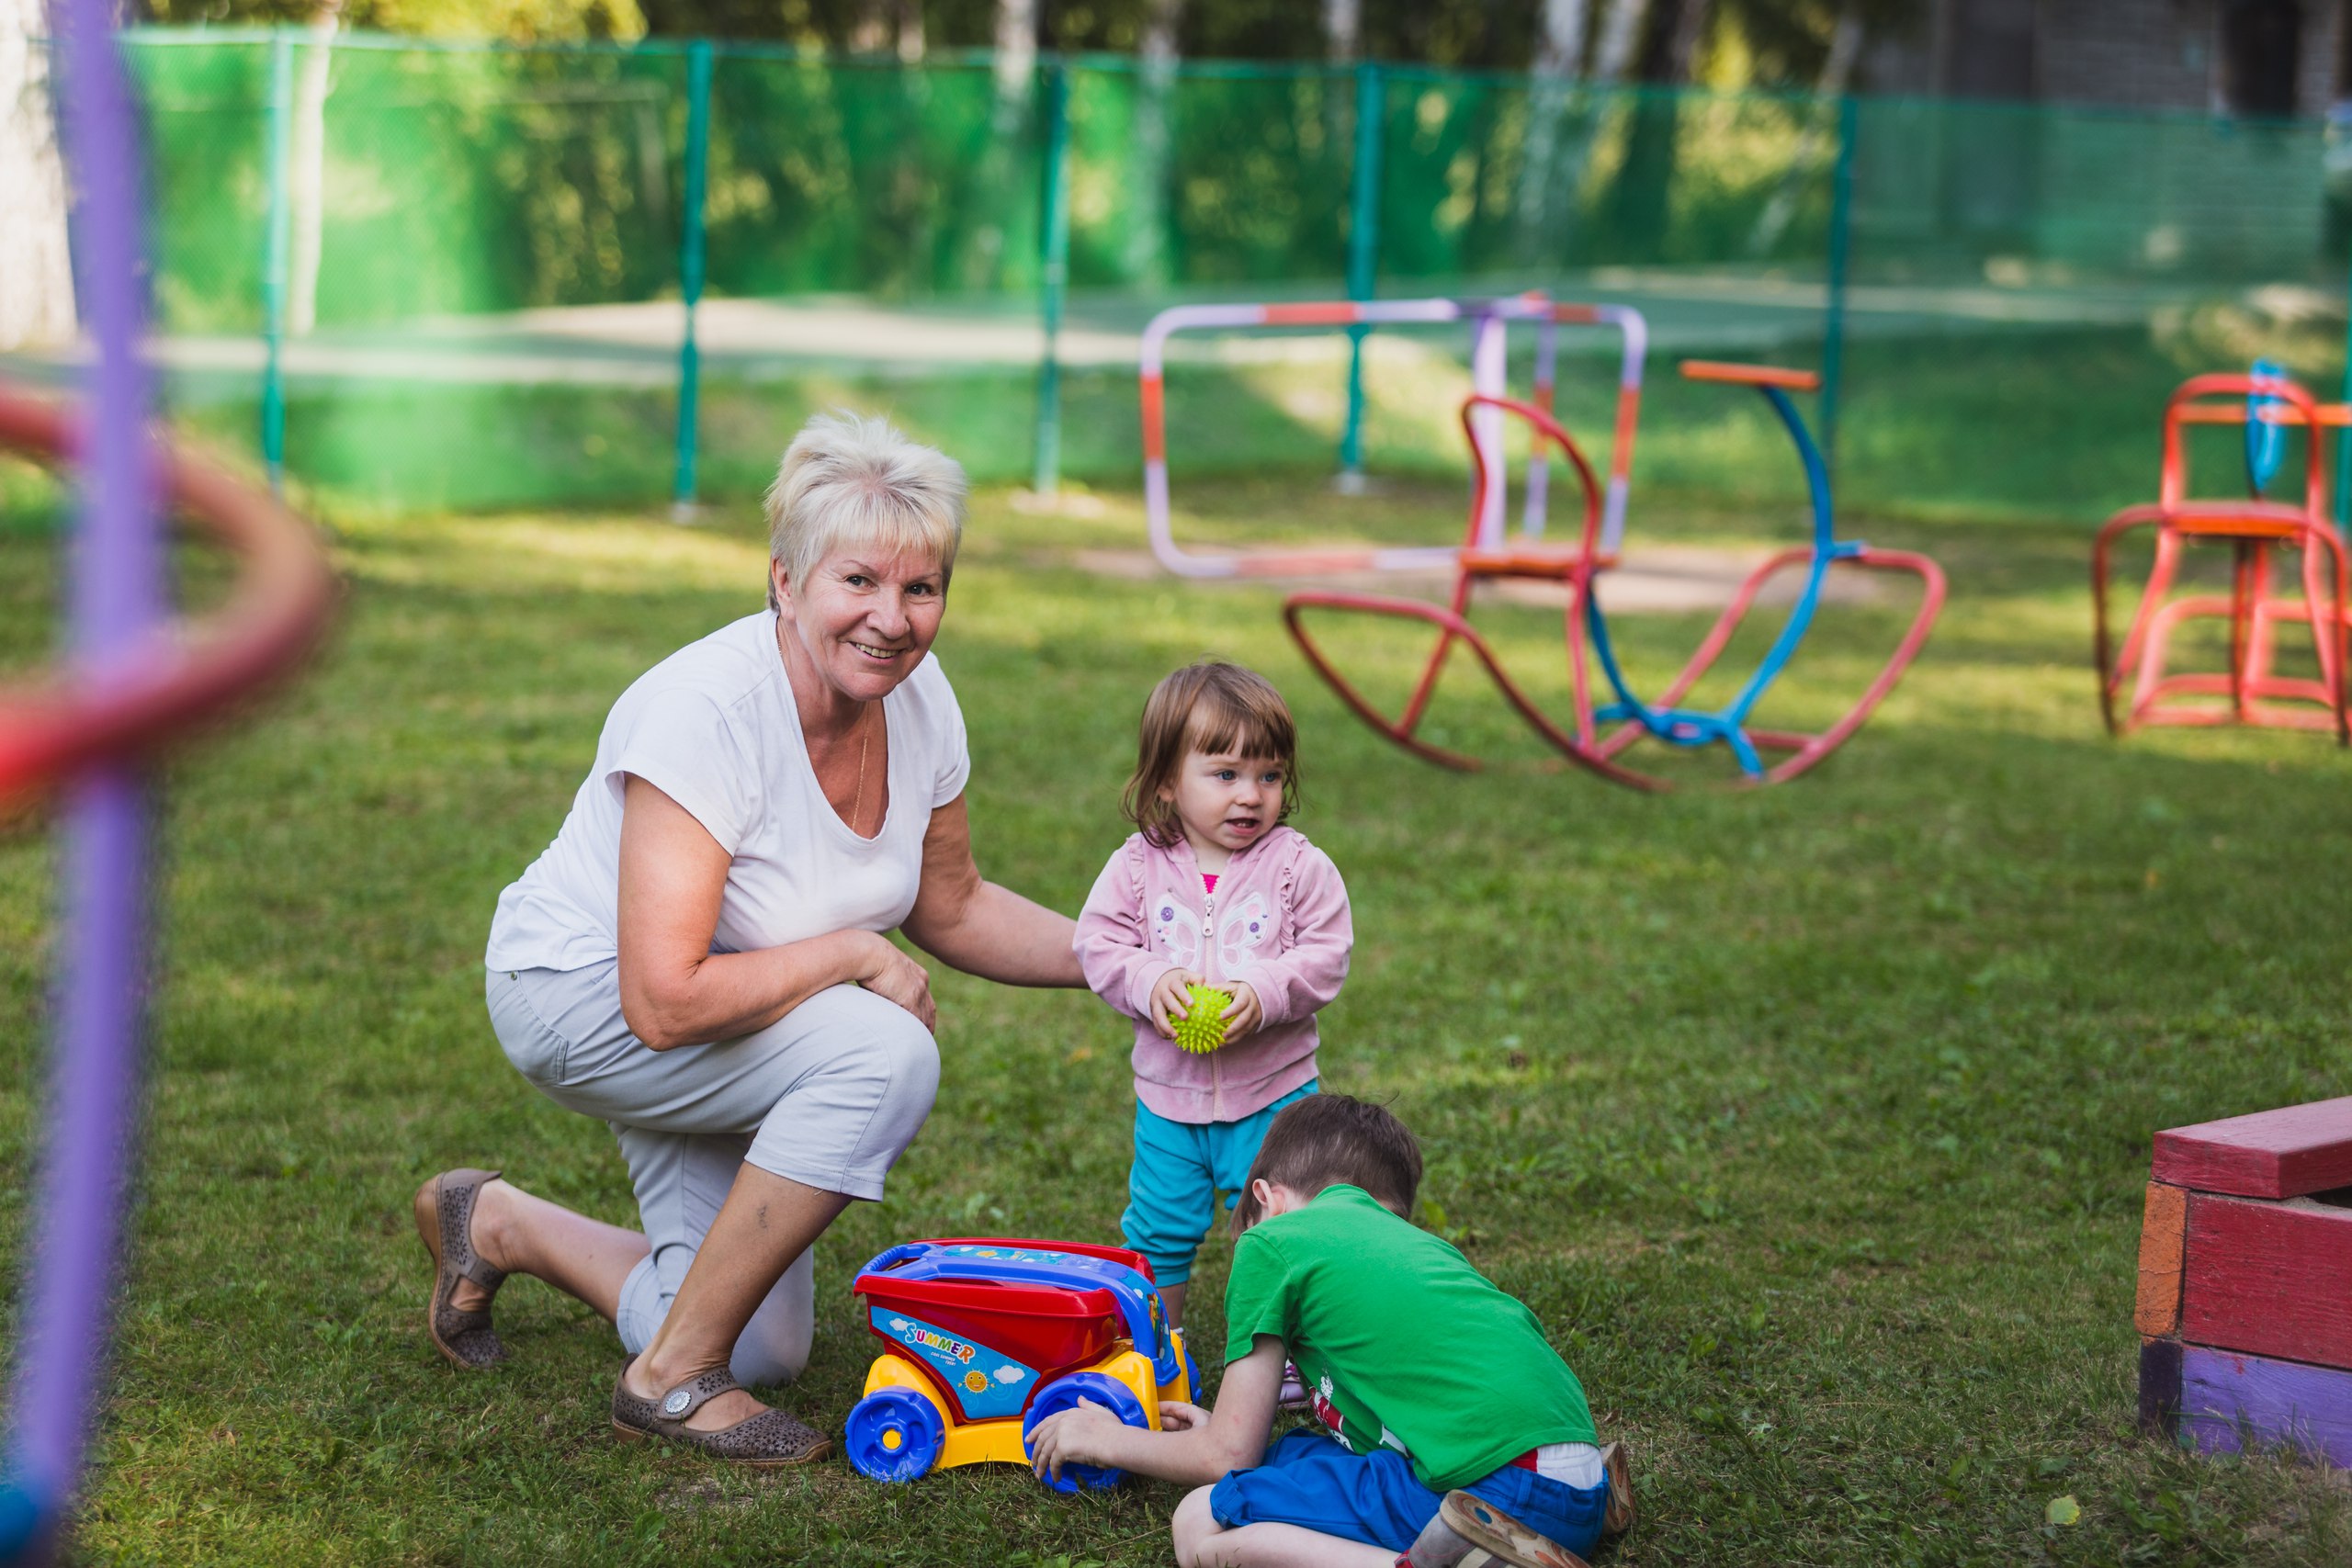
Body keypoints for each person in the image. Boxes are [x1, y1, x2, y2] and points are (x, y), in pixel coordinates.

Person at [414, 412, 1083, 1465]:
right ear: (784, 580)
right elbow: (663, 1001)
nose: (892, 619)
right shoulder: (706, 712)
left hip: (735, 1004)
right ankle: (670, 1379)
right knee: (883, 1051)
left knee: (765, 1348)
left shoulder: (920, 700)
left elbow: (953, 905)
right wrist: (855, 955)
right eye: (857, 580)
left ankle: (496, 1223)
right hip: (580, 994)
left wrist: (1128, 962)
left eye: (922, 588)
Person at [1026, 1095, 1634, 1568]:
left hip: (1492, 1492)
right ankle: (1532, 1533)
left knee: (1200, 1522)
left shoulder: (1273, 1240)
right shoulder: (1420, 1250)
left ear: (1265, 1200)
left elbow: (1225, 1458)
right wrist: (1233, 1430)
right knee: (1290, 1454)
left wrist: (1107, 1439)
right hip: (1576, 1485)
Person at [1074, 660, 1351, 1334]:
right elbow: (1097, 943)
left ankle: (1283, 1349)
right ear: (1167, 781)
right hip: (1169, 1100)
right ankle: (1160, 1349)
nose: (1251, 795)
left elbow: (1328, 951)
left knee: (1283, 1227)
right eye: (1225, 774)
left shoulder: (1296, 865)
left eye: (1269, 775)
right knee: (1159, 1227)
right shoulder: (1137, 866)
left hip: (1275, 1094)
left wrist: (1265, 990)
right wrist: (1148, 980)